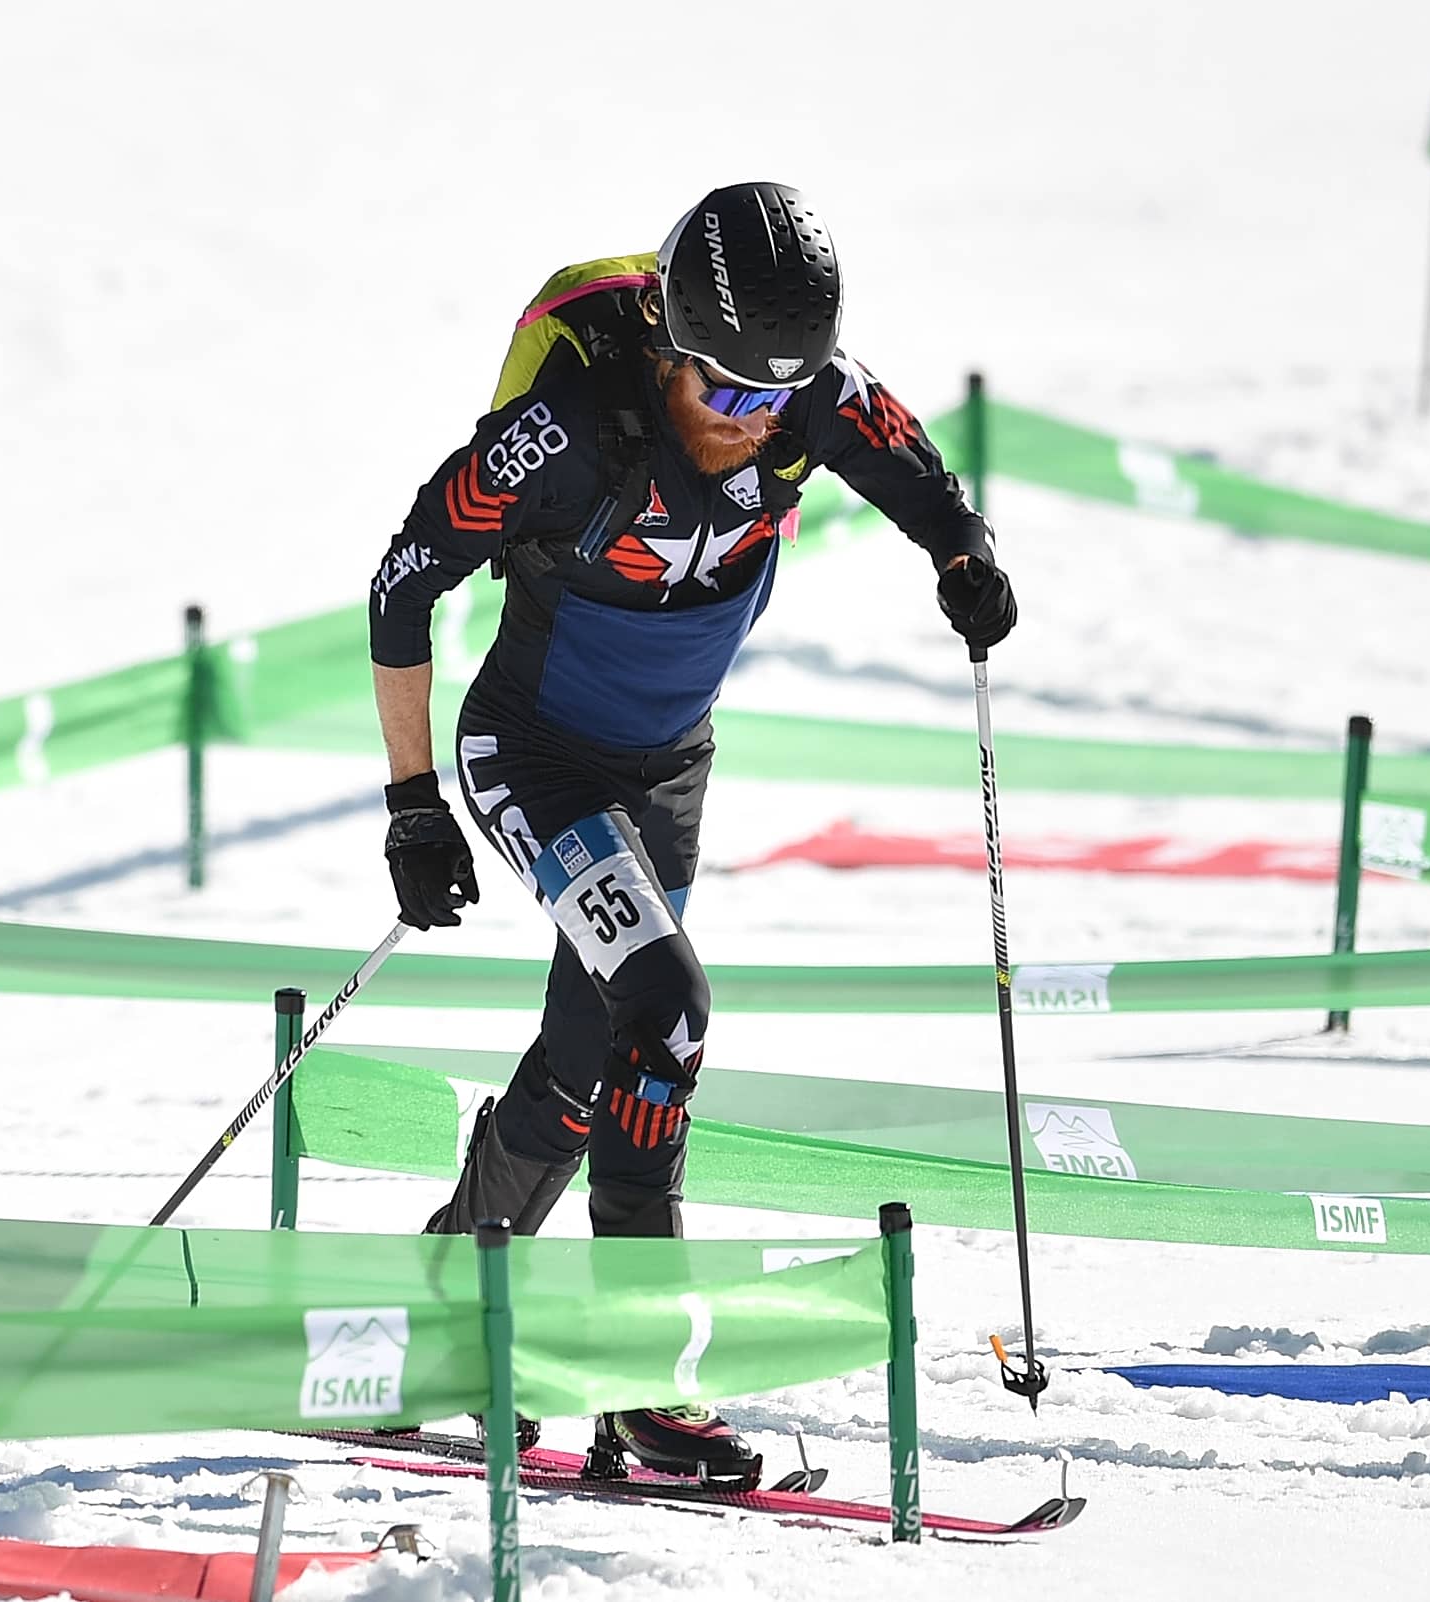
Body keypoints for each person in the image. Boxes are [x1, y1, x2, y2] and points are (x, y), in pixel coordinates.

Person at [366, 181, 1016, 1484]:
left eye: (768, 399)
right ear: (663, 343)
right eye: (716, 391)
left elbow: (913, 468)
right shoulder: (562, 437)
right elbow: (403, 583)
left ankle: (436, 1323)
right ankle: (641, 1382)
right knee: (663, 1005)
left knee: (583, 1057)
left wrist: (962, 553)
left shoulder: (807, 396)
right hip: (534, 757)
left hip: (665, 772)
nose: (742, 422)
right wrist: (412, 801)